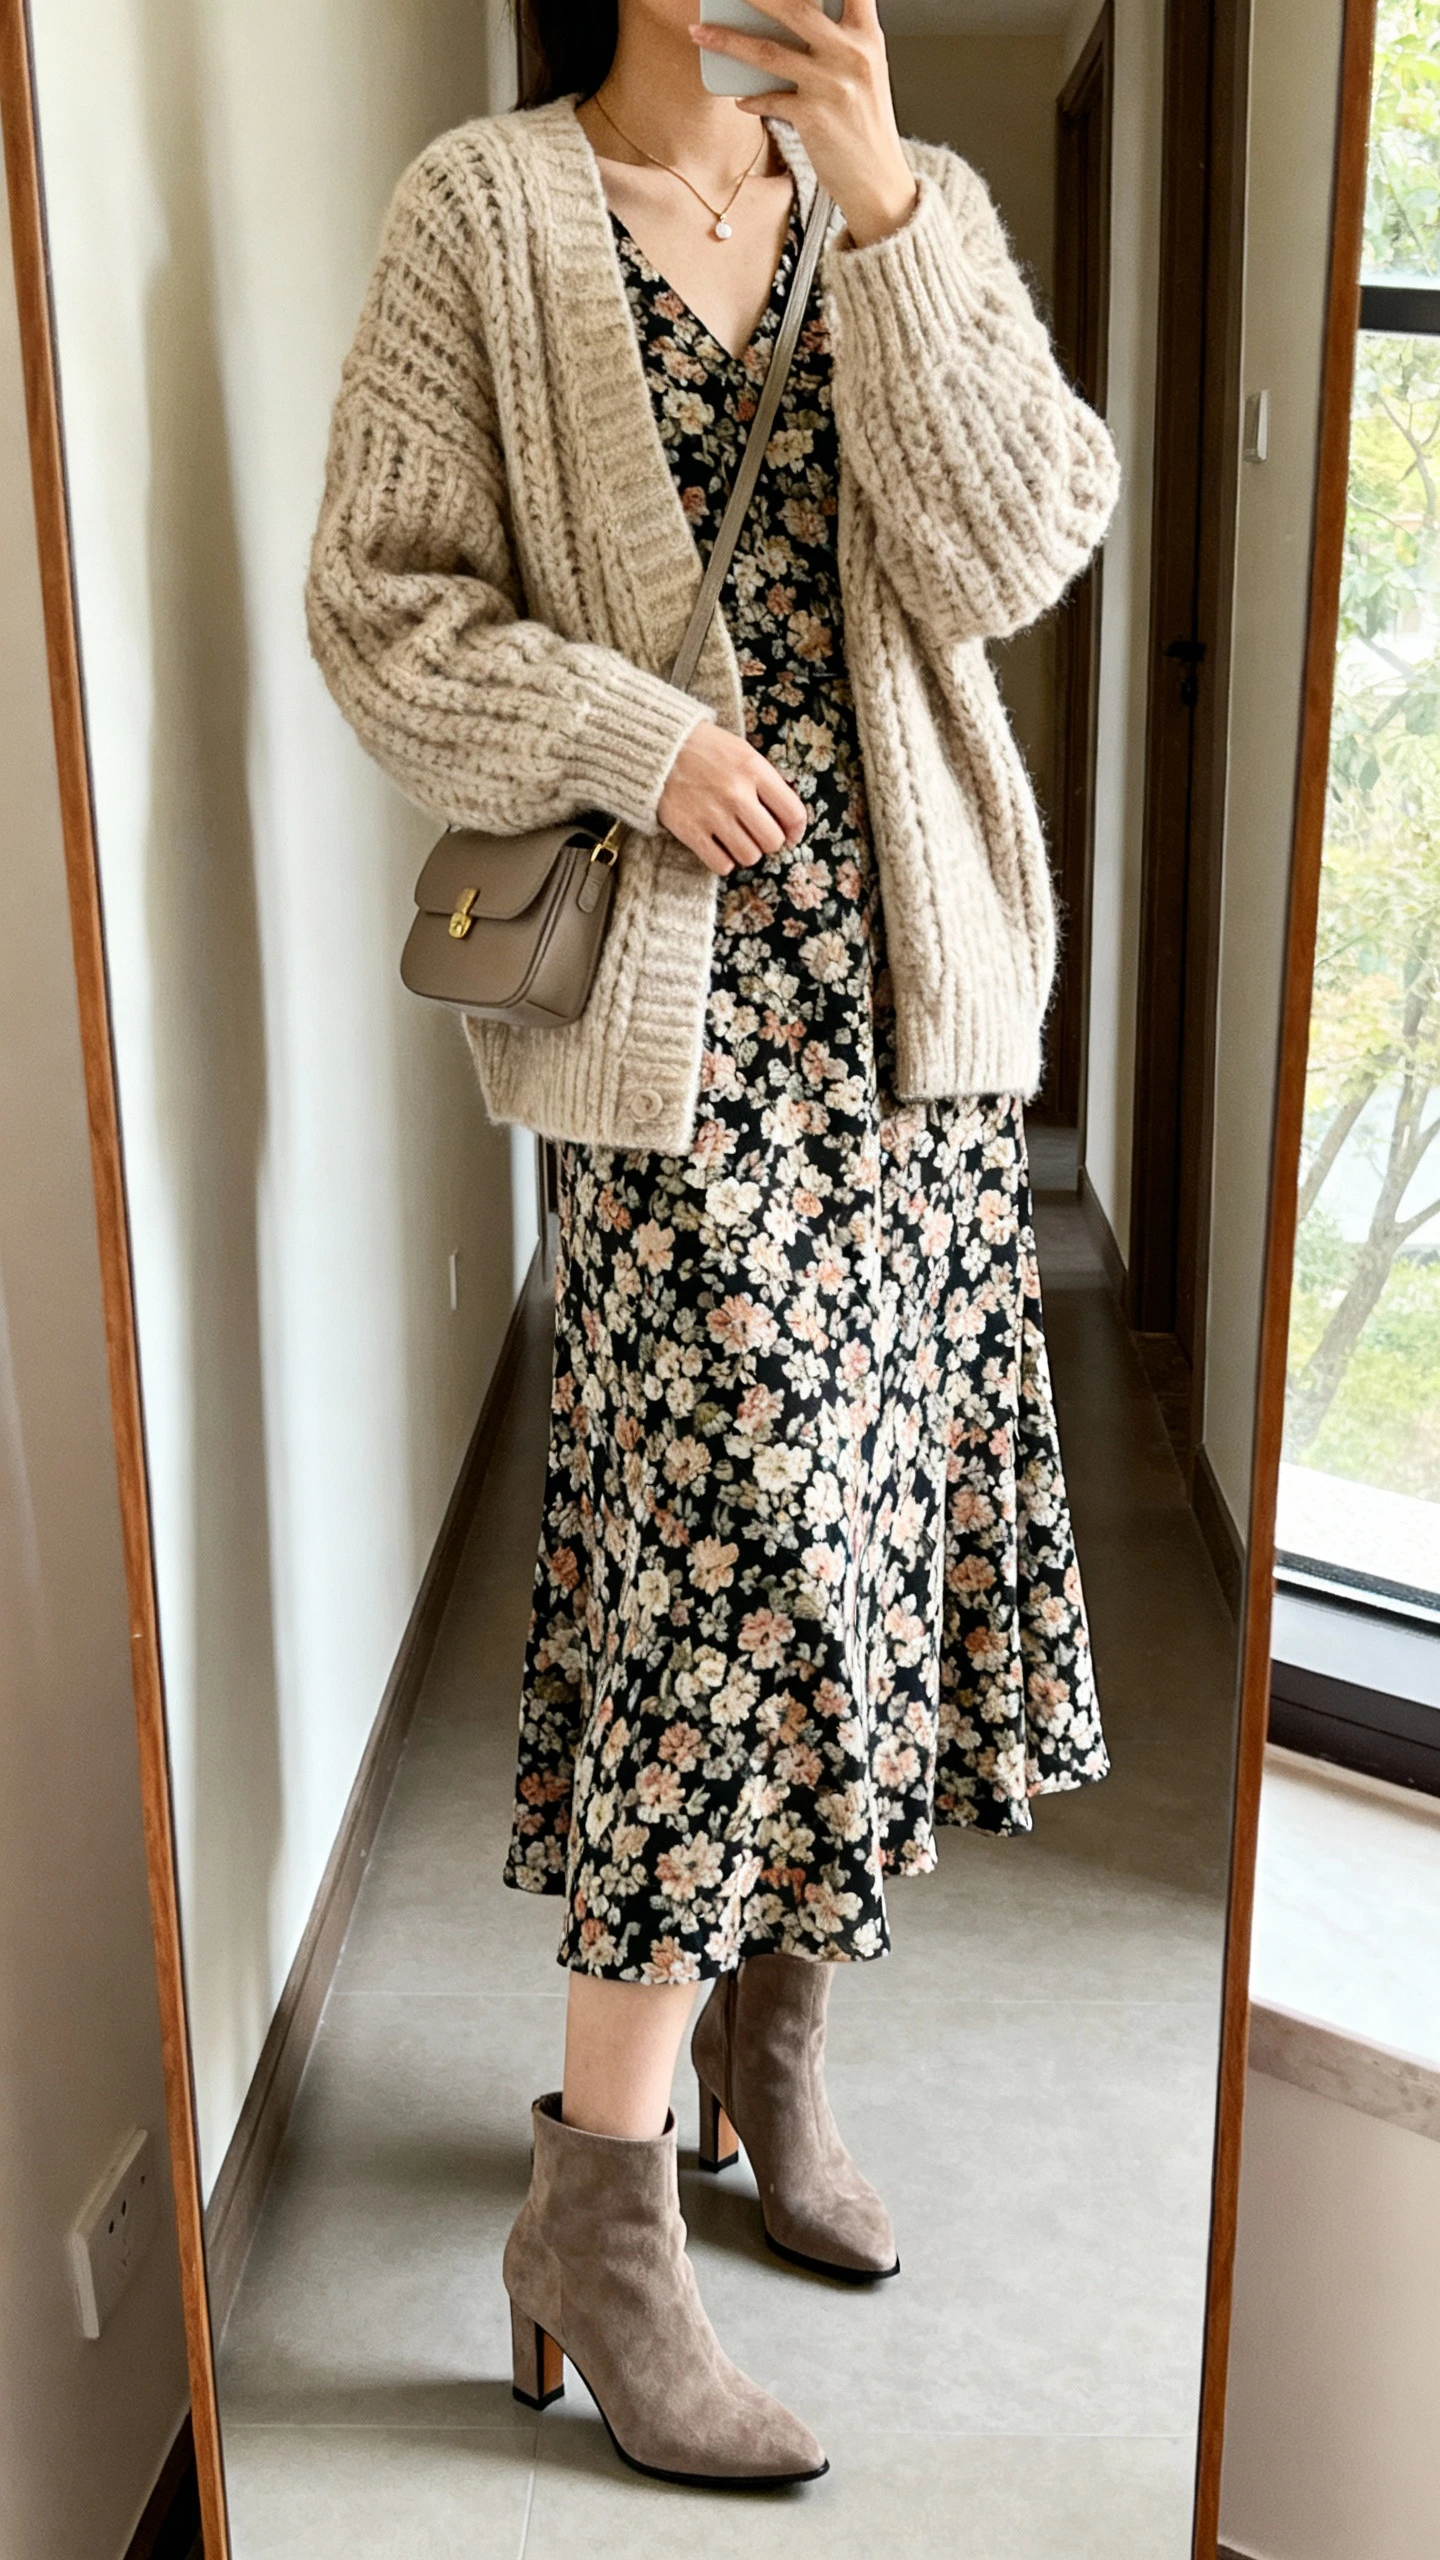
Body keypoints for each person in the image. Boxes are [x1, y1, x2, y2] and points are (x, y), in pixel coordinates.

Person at [307, 0, 1118, 2490]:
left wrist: (887, 213)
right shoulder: (489, 210)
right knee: (722, 1576)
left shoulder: (925, 208)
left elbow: (1022, 543)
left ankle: (776, 2055)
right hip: (671, 1048)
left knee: (865, 1570)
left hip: (925, 1021)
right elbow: (381, 605)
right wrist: (629, 739)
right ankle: (603, 2216)